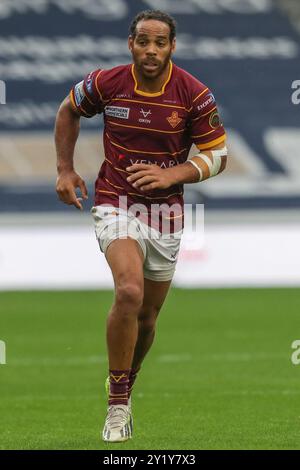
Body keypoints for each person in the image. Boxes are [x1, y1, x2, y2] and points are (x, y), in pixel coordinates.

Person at [55, 9, 227, 443]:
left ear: (172, 47)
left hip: (165, 214)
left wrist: (173, 174)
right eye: (143, 41)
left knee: (148, 318)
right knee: (128, 291)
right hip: (116, 201)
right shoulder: (107, 83)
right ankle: (117, 407)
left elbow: (217, 154)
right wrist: (65, 170)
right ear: (130, 43)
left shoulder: (193, 94)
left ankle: (124, 386)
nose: (151, 50)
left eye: (160, 42)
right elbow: (68, 109)